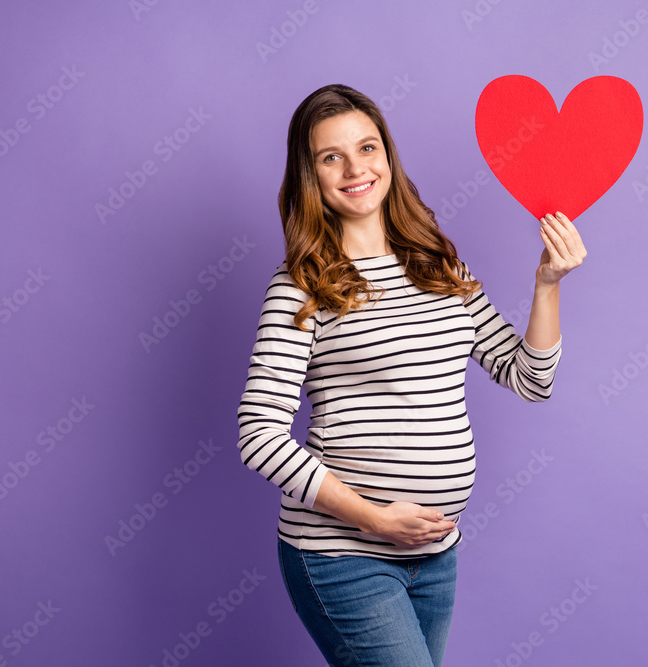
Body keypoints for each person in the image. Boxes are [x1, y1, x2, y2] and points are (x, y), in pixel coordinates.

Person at [237, 83, 585, 666]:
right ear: (311, 175)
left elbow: (529, 377)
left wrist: (546, 284)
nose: (355, 168)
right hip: (341, 554)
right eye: (331, 157)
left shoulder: (439, 266)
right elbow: (259, 435)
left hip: (435, 552)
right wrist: (375, 519)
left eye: (368, 148)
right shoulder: (303, 284)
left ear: (389, 157)